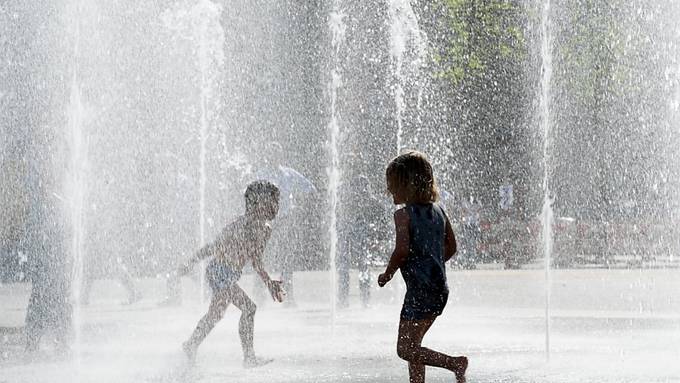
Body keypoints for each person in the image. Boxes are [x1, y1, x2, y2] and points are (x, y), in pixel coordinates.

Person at [171, 180, 285, 367]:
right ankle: (249, 358)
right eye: (272, 200)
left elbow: (256, 261)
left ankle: (191, 345)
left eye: (277, 201)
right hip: (218, 272)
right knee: (249, 308)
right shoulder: (240, 225)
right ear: (257, 202)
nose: (276, 206)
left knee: (215, 314)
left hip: (229, 274)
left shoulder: (265, 230)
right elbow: (213, 247)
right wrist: (190, 262)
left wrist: (269, 282)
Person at [377, 151, 468, 383]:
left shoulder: (403, 215)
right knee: (414, 344)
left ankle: (454, 363)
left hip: (419, 292)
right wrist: (432, 264)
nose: (389, 191)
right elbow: (452, 246)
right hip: (439, 290)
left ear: (407, 185)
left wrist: (388, 273)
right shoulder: (439, 211)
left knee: (404, 348)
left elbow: (401, 251)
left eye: (393, 185)